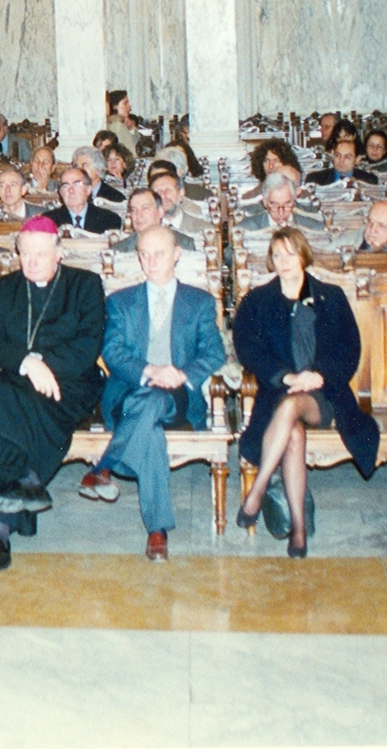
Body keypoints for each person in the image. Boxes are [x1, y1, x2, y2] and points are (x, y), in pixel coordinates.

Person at [0, 215, 108, 572]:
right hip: (18, 378)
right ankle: (21, 491)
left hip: (70, 383)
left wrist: (45, 366)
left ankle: (1, 528)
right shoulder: (6, 287)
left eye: (40, 254)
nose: (30, 262)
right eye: (25, 254)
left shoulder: (85, 284)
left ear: (59, 253)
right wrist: (28, 364)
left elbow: (87, 347)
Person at [81, 226, 226, 561]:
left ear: (176, 255)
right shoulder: (120, 301)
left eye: (159, 253)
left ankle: (105, 466)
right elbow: (112, 352)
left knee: (158, 400)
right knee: (151, 425)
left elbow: (215, 352)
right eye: (144, 254)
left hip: (178, 395)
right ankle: (156, 531)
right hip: (128, 392)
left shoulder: (199, 302)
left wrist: (182, 374)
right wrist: (150, 371)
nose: (151, 261)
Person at [232, 228, 377, 558]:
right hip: (277, 390)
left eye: (290, 253)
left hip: (324, 394)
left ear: (303, 255)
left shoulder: (331, 296)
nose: (284, 261)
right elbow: (247, 348)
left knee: (291, 408)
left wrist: (317, 376)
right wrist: (285, 376)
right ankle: (298, 530)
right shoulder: (257, 300)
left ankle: (256, 492)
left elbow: (350, 350)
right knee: (293, 433)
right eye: (277, 255)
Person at [113, 188, 198, 255]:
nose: (138, 215)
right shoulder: (119, 250)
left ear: (160, 211)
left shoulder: (184, 244)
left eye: (145, 208)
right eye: (133, 210)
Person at [45, 167, 122, 234]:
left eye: (77, 184)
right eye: (66, 185)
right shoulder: (48, 221)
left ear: (88, 189)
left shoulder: (109, 219)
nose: (71, 190)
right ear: (60, 192)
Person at [238, 174, 325, 233]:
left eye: (287, 204)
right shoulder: (245, 229)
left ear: (294, 200)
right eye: (274, 204)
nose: (281, 212)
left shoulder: (315, 229)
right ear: (265, 202)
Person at [305, 139, 380, 187]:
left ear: (357, 159)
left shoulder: (369, 181)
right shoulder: (314, 179)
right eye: (338, 155)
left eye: (347, 157)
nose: (341, 160)